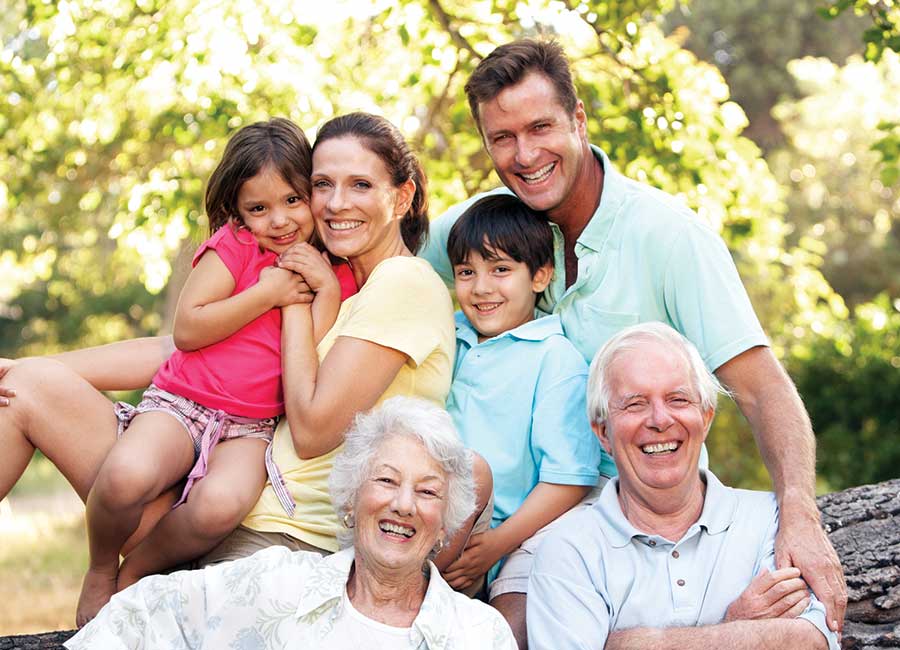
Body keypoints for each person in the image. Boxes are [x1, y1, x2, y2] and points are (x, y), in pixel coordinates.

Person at [419, 38, 846, 636]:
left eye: (541, 127)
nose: (525, 154)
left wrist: (800, 515)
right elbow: (386, 269)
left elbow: (760, 388)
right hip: (490, 506)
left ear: (579, 120)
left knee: (515, 629)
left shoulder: (669, 238)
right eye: (503, 138)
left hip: (620, 522)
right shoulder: (482, 229)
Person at [0, 113, 460, 609]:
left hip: (263, 527)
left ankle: (127, 575)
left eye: (361, 185)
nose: (336, 203)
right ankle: (105, 568)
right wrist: (37, 364)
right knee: (21, 386)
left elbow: (310, 431)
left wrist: (289, 299)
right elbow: (188, 348)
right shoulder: (324, 272)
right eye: (323, 185)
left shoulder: (397, 282)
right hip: (197, 475)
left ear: (403, 196)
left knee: (34, 392)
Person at [71, 118, 357, 626]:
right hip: (183, 400)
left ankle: (136, 571)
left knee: (221, 506)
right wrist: (266, 293)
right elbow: (188, 328)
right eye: (258, 208)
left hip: (252, 427)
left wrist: (328, 292)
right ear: (237, 211)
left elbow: (309, 354)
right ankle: (99, 568)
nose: (280, 220)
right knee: (123, 477)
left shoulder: (335, 273)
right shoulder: (237, 247)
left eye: (293, 200)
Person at [64, 397, 518, 649]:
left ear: (445, 525)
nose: (403, 504)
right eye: (385, 480)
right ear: (351, 500)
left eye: (427, 491)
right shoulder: (274, 582)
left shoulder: (478, 635)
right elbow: (143, 613)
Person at [526, 323, 839, 650]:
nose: (660, 420)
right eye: (635, 403)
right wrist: (734, 626)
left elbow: (808, 641)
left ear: (705, 417)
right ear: (602, 432)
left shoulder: (773, 523)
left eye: (678, 399)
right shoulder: (567, 552)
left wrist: (629, 643)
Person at [440, 193, 612, 642]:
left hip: (500, 535)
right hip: (434, 512)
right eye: (466, 272)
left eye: (500, 270)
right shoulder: (448, 335)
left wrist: (495, 546)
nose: (481, 288)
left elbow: (570, 478)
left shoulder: (555, 359)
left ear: (540, 275)